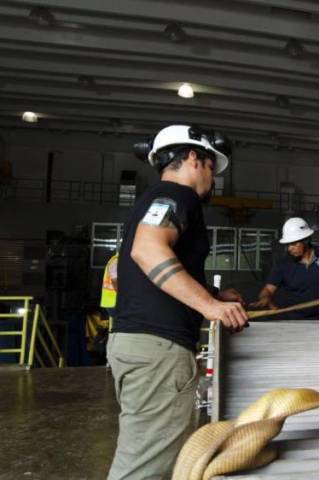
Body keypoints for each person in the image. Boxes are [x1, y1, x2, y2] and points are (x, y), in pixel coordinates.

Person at [107, 125, 249, 480]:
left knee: (145, 454)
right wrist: (209, 306)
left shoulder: (154, 199)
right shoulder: (177, 195)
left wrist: (212, 295)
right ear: (191, 158)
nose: (213, 181)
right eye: (210, 169)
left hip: (135, 343)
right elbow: (148, 250)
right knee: (144, 470)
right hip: (158, 350)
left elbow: (143, 275)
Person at [251, 217, 319, 319]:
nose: (290, 248)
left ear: (306, 240)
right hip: (293, 321)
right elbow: (268, 289)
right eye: (288, 244)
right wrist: (264, 297)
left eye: (294, 244)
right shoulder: (283, 264)